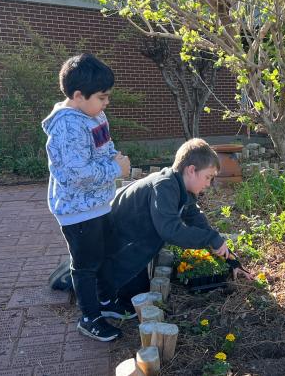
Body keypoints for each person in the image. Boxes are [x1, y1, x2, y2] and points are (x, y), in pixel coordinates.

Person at [42, 53, 133, 342]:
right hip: (77, 210)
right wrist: (114, 169)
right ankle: (89, 318)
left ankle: (106, 303)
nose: (106, 103)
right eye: (102, 97)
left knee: (104, 255)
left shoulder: (93, 114)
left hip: (97, 203)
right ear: (79, 96)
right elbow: (76, 174)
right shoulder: (67, 126)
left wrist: (113, 158)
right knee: (85, 265)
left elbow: (104, 143)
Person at [102, 138, 253, 298]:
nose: (209, 184)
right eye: (208, 177)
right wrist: (210, 238)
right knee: (122, 299)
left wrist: (232, 261)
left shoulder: (181, 188)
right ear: (191, 170)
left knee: (139, 293)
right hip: (112, 242)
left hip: (130, 239)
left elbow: (200, 224)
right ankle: (104, 299)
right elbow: (171, 231)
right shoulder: (165, 185)